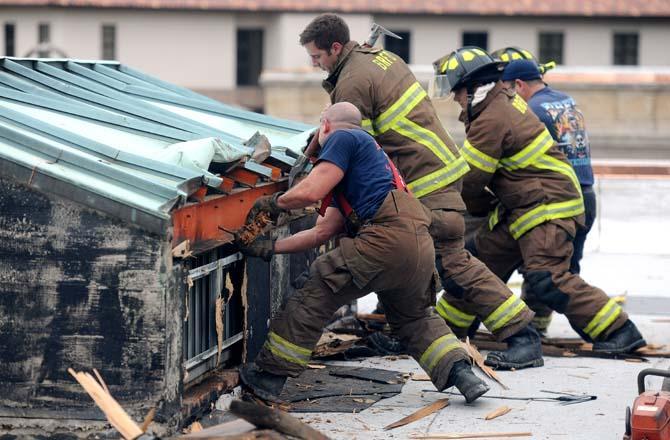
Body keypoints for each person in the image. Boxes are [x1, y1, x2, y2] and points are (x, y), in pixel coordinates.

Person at [299, 13, 543, 370]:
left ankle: (523, 336)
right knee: (406, 259)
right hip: (435, 176)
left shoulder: (352, 82)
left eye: (317, 57)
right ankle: (397, 328)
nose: (314, 64)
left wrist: (307, 170)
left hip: (426, 186)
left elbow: (346, 147)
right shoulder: (379, 59)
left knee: (450, 262)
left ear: (335, 48)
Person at [237, 102, 489, 403]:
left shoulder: (345, 138)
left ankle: (268, 377)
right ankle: (463, 374)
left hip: (385, 239)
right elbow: (322, 231)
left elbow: (309, 192)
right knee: (415, 319)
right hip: (418, 246)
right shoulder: (371, 169)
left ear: (325, 125)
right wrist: (269, 248)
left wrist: (272, 203)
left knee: (316, 287)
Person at [431, 46, 646, 355]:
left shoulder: (491, 118)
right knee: (478, 264)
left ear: (474, 85)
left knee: (547, 277)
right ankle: (447, 330)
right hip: (524, 206)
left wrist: (437, 204)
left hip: (547, 206)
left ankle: (619, 331)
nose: (454, 98)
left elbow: (470, 181)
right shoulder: (495, 105)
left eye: (457, 90)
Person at [499, 57, 598, 334]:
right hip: (586, 196)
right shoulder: (566, 100)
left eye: (507, 89)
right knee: (565, 270)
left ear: (518, 85)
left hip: (559, 200)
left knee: (543, 268)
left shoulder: (532, 109)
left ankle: (599, 328)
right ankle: (541, 327)